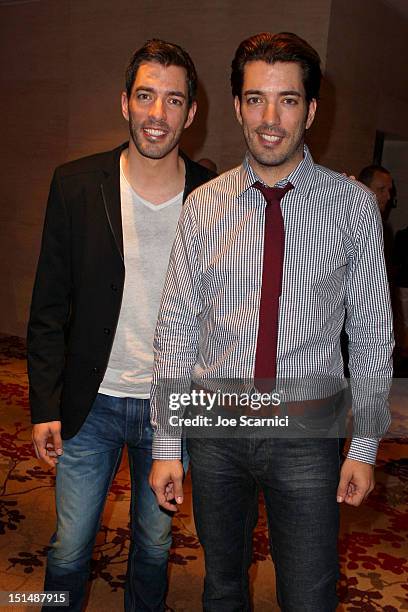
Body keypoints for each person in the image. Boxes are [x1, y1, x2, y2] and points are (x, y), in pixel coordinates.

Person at [149, 32, 393, 611]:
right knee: (223, 586)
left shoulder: (353, 205)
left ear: (310, 110)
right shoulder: (203, 206)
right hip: (215, 427)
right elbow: (178, 330)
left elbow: (371, 334)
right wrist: (166, 443)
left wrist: (363, 445)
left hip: (307, 429)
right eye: (256, 99)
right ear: (237, 107)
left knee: (309, 594)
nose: (270, 118)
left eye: (287, 100)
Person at [28, 39, 215, 612]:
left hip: (170, 410)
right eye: (145, 96)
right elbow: (49, 307)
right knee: (69, 545)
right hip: (94, 402)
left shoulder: (214, 194)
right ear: (124, 103)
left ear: (191, 112)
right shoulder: (76, 184)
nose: (157, 114)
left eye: (173, 100)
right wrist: (45, 406)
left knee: (156, 545)